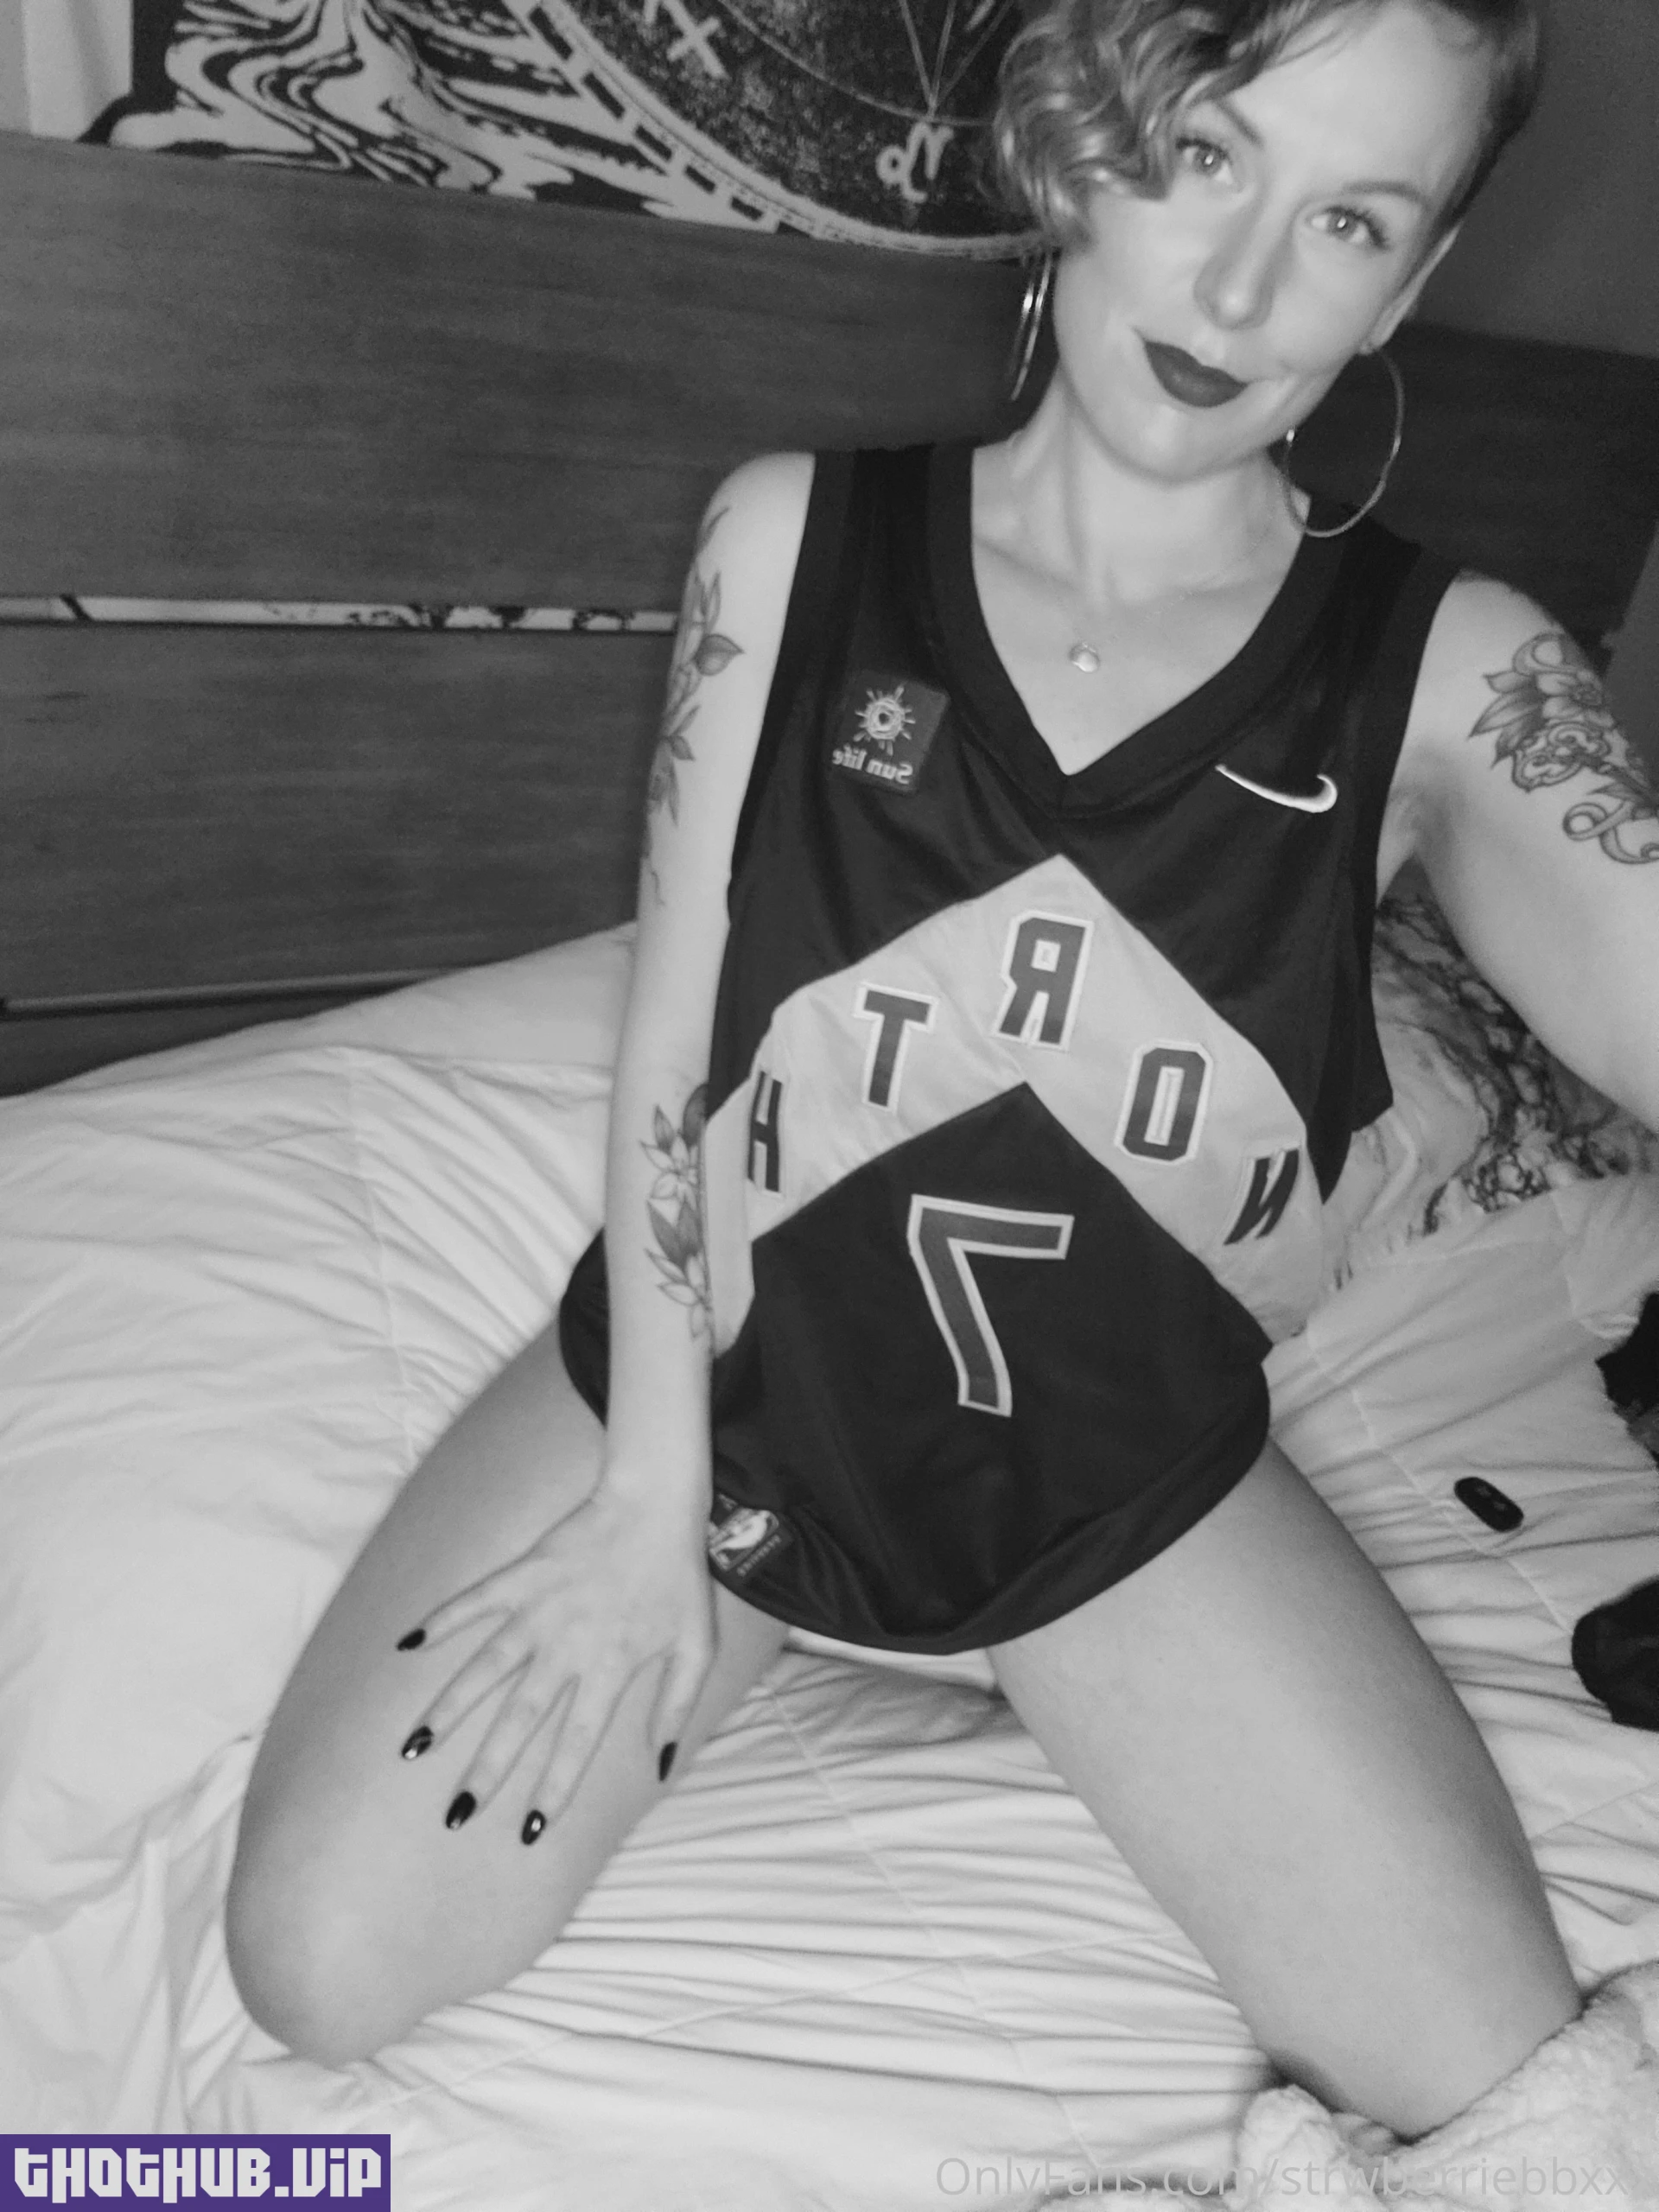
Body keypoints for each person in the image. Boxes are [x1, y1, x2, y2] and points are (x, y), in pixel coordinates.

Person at [225, 0, 1659, 2169]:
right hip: (725, 1392)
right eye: (1202, 157)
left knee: (1530, 2129)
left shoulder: (1460, 675)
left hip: (1104, 1484)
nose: (1240, 288)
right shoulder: (791, 537)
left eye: (1349, 221)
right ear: (1080, 142)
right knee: (319, 1965)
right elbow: (678, 1040)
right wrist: (641, 1510)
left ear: (1412, 281)